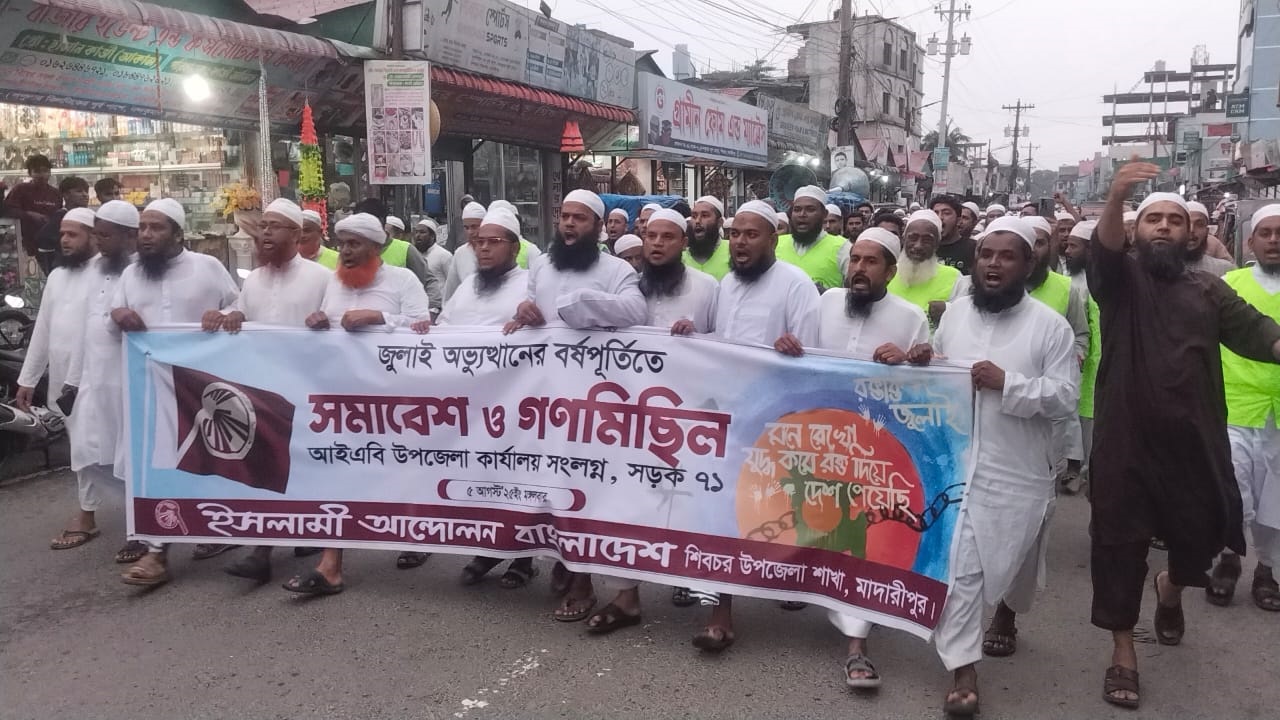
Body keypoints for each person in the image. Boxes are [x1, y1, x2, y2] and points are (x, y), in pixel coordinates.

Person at [1087, 159, 1280, 710]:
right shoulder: (1119, 283)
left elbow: (1260, 333)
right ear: (1136, 231)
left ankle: (1169, 588)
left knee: (1206, 531)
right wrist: (1116, 196)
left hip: (1195, 441)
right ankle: (1123, 649)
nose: (1165, 227)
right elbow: (1103, 251)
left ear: (1190, 233)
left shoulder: (1208, 290)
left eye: (1175, 220)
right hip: (1125, 443)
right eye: (1154, 219)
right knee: (1119, 546)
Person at [928, 215, 1078, 717]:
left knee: (1014, 562)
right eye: (986, 255)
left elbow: (1064, 397)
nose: (993, 264)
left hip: (1020, 469)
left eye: (1006, 256)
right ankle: (963, 669)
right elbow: (939, 371)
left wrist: (1008, 383)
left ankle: (1008, 615)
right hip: (958, 462)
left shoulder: (1050, 327)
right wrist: (919, 360)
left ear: (1028, 265)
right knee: (963, 568)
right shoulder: (955, 315)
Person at [505, 188, 647, 620]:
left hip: (596, 404)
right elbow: (530, 307)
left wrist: (578, 306)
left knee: (589, 488)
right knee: (551, 484)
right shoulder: (542, 265)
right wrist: (525, 312)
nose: (568, 223)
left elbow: (635, 312)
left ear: (599, 227)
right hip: (546, 400)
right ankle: (564, 559)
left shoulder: (617, 270)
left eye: (579, 218)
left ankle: (583, 576)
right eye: (564, 216)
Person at [578, 207, 719, 635]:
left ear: (683, 243)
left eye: (667, 237)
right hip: (629, 419)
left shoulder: (708, 288)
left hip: (687, 418)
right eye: (651, 236)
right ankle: (626, 597)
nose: (657, 244)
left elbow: (728, 348)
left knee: (689, 501)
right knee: (626, 503)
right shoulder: (627, 287)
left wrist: (698, 338)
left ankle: (695, 584)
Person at [691, 199, 821, 653]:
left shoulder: (797, 285)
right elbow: (716, 345)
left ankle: (790, 579)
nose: (740, 243)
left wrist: (794, 351)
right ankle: (720, 609)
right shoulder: (725, 285)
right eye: (735, 235)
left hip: (777, 419)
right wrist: (692, 336)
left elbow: (815, 358)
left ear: (773, 239)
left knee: (776, 511)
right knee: (723, 511)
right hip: (728, 418)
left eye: (751, 235)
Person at [282, 213, 434, 596]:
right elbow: (324, 328)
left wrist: (378, 317)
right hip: (342, 401)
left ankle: (418, 536)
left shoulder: (403, 280)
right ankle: (330, 565)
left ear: (376, 247)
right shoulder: (333, 282)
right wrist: (318, 321)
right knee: (338, 471)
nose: (345, 252)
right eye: (342, 244)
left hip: (395, 403)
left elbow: (426, 326)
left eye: (354, 244)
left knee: (403, 471)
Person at [112, 199, 240, 587]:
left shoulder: (207, 267)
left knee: (210, 462)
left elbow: (240, 307)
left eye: (156, 228)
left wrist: (225, 315)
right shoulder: (130, 274)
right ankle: (157, 552)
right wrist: (118, 315)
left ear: (178, 233)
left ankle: (216, 527)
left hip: (203, 388)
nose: (146, 235)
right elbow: (113, 318)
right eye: (142, 228)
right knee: (160, 465)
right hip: (151, 389)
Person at [204, 199, 332, 584]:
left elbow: (338, 325)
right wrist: (228, 316)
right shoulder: (254, 279)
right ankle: (262, 551)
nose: (265, 233)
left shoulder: (320, 278)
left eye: (275, 226)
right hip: (261, 390)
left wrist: (326, 322)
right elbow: (242, 312)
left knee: (310, 469)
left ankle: (316, 537)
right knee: (269, 467)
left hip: (310, 392)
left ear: (297, 233)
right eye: (262, 226)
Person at [1204, 204, 1280, 612]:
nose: (1274, 240)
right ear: (1250, 242)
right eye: (1265, 233)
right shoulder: (1228, 284)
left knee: (1276, 502)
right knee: (1233, 491)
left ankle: (1268, 570)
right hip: (1234, 409)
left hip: (1278, 416)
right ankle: (1228, 558)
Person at [62, 200, 140, 563]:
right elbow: (85, 328)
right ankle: (138, 514)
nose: (98, 242)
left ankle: (141, 530)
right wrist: (72, 381)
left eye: (105, 235)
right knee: (86, 452)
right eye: (96, 234)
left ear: (129, 237)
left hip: (131, 382)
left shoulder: (142, 271)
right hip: (92, 381)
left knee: (132, 457)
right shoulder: (93, 271)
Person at [16, 207, 96, 549]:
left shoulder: (110, 275)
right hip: (64, 380)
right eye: (62, 233)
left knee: (104, 446)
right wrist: (29, 378)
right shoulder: (58, 277)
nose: (65, 240)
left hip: (99, 377)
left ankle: (109, 515)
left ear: (94, 237)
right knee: (80, 446)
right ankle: (88, 511)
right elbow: (43, 330)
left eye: (73, 234)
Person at [1059, 220, 1100, 495]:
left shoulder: (1102, 279)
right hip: (1076, 361)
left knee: (1092, 423)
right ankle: (1074, 468)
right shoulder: (1065, 279)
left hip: (1099, 362)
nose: (1068, 250)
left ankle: (1088, 473)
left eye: (1074, 246)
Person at [445, 201, 542, 300]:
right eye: (466, 227)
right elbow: (449, 299)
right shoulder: (467, 285)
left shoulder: (529, 256)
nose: (485, 248)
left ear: (514, 248)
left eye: (494, 241)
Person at [886, 209, 964, 328]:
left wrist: (948, 311)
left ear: (937, 244)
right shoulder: (887, 273)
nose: (918, 246)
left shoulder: (954, 278)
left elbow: (965, 319)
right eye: (913, 238)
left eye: (927, 240)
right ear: (904, 239)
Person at [777, 186, 851, 292]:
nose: (802, 214)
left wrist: (827, 294)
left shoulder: (843, 247)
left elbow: (854, 292)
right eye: (797, 210)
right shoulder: (776, 244)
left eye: (810, 209)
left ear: (824, 214)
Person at [4, 154, 62, 256]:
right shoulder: (20, 189)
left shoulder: (56, 193)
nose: (42, 175)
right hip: (24, 245)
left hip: (49, 245)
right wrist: (29, 214)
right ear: (30, 173)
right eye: (37, 171)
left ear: (50, 172)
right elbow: (8, 210)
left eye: (45, 171)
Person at [34, 176, 90, 274]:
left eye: (86, 191)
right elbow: (43, 241)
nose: (85, 195)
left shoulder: (84, 215)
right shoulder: (61, 217)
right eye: (79, 191)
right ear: (66, 195)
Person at [683, 195, 730, 280]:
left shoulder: (732, 251)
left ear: (719, 222)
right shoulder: (679, 256)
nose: (697, 221)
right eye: (694, 216)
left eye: (704, 216)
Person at [1186, 201, 1235, 277]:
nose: (1191, 230)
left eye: (1199, 224)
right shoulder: (1165, 270)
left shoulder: (1225, 270)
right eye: (1187, 224)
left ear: (1207, 231)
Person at [932, 195, 976, 276]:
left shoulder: (973, 249)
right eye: (935, 213)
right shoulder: (926, 248)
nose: (940, 217)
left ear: (958, 220)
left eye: (946, 213)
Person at [414, 217, 453, 297]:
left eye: (422, 232)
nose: (418, 235)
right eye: (416, 232)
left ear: (432, 236)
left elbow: (452, 283)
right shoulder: (415, 255)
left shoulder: (444, 255)